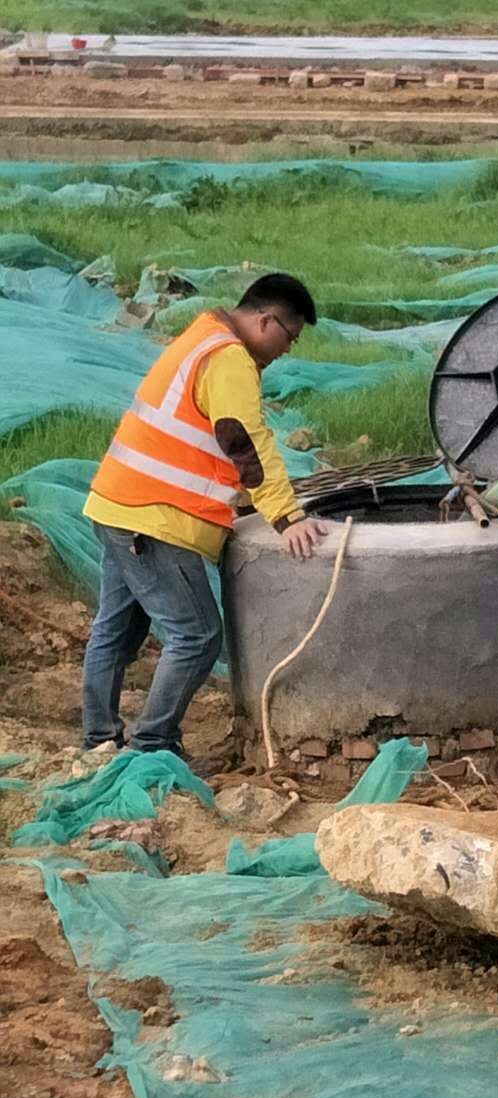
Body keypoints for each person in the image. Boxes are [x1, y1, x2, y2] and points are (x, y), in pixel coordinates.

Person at [81, 273, 327, 761]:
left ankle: (99, 742)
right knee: (196, 635)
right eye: (288, 337)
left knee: (116, 630)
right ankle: (154, 745)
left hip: (117, 503)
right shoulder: (228, 357)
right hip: (155, 518)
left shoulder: (202, 335)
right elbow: (243, 439)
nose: (285, 351)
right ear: (265, 319)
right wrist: (286, 516)